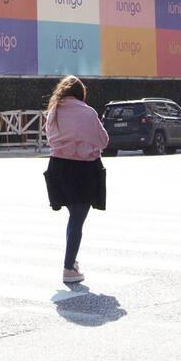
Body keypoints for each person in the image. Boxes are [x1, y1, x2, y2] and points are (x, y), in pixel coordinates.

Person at [42, 75, 108, 285]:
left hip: (58, 168)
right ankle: (69, 268)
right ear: (81, 94)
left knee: (73, 218)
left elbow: (49, 136)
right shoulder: (88, 113)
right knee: (77, 220)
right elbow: (103, 140)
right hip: (83, 170)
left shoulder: (53, 112)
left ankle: (72, 261)